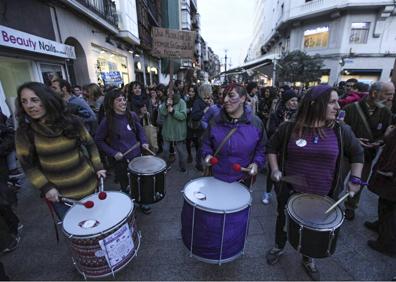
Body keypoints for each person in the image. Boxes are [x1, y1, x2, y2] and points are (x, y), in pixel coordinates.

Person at [265, 85, 364, 280]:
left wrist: (355, 179)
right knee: (282, 219)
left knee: (315, 227)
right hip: (291, 189)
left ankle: (309, 258)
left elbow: (357, 154)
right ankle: (279, 246)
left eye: (338, 101)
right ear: (316, 104)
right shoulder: (289, 128)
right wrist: (275, 169)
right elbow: (271, 147)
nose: (338, 106)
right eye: (332, 102)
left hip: (324, 194)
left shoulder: (341, 130)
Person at [15, 82, 105, 220]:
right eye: (24, 101)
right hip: (63, 198)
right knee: (80, 236)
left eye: (34, 100)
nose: (29, 106)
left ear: (47, 99)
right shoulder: (24, 132)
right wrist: (46, 187)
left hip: (89, 185)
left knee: (101, 224)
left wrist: (98, 166)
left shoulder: (72, 121)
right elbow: (28, 165)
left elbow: (90, 144)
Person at [343, 81, 394, 220]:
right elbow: (340, 131)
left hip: (367, 155)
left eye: (392, 95)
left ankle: (351, 205)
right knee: (338, 177)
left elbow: (385, 133)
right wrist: (354, 140)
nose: (391, 98)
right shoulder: (350, 109)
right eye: (388, 94)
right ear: (374, 93)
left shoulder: (386, 112)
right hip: (347, 153)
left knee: (358, 181)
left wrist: (381, 141)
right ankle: (330, 199)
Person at [94, 89, 151, 214]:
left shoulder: (132, 115)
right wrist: (113, 153)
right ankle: (128, 206)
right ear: (111, 103)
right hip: (121, 161)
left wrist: (144, 141)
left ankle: (144, 203)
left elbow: (140, 130)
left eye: (124, 99)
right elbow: (98, 140)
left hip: (137, 157)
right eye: (119, 100)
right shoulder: (107, 121)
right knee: (126, 186)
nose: (123, 102)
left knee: (141, 182)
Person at [201, 83, 266, 186]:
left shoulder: (256, 123)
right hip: (216, 177)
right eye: (224, 95)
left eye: (231, 95)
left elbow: (261, 149)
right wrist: (207, 154)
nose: (225, 100)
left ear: (242, 98)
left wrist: (256, 163)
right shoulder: (214, 121)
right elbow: (206, 143)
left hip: (243, 179)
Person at [262, 89, 299, 205]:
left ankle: (286, 193)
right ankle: (267, 192)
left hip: (292, 149)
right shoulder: (276, 114)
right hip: (277, 149)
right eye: (292, 100)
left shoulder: (298, 116)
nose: (295, 103)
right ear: (286, 101)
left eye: (296, 101)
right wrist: (283, 125)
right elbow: (270, 130)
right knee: (272, 171)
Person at [366, 123, 396, 256]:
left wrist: (391, 171)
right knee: (385, 200)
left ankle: (387, 243)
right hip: (388, 169)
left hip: (391, 173)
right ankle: (381, 226)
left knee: (391, 207)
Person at [158, 84, 188, 172]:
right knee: (165, 150)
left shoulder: (181, 102)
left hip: (179, 131)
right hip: (167, 130)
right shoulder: (165, 101)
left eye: (170, 91)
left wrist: (173, 111)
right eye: (167, 91)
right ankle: (165, 166)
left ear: (174, 92)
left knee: (181, 151)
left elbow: (183, 116)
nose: (169, 93)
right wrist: (166, 105)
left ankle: (182, 166)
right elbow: (163, 113)